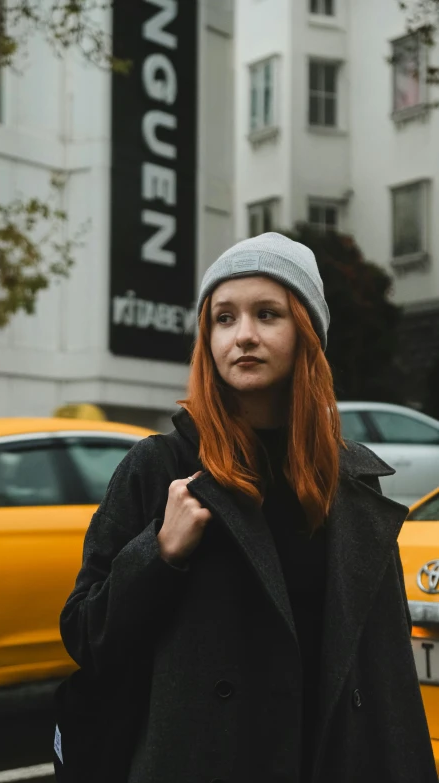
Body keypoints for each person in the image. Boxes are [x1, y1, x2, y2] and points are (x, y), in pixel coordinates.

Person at [60, 232, 437, 783]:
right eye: (224, 318)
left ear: (306, 332)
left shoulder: (351, 482)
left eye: (267, 314)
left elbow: (387, 676)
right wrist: (160, 553)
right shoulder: (160, 467)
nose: (244, 336)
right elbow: (85, 635)